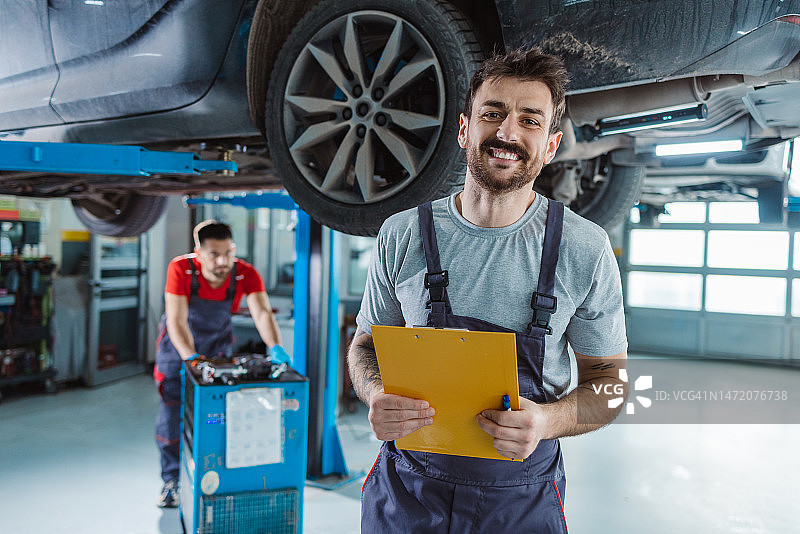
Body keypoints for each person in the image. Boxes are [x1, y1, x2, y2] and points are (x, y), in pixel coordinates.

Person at [348, 48, 629, 532]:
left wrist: (547, 422)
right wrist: (374, 395)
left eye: (529, 120)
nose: (507, 132)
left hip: (518, 504)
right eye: (492, 113)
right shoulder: (402, 234)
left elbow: (612, 383)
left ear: (552, 144)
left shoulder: (584, 249)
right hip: (409, 494)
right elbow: (366, 346)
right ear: (464, 129)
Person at [153, 219, 289, 508]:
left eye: (228, 252)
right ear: (198, 252)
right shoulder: (181, 269)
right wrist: (190, 358)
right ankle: (171, 482)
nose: (223, 261)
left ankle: (214, 478)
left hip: (218, 350)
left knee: (218, 415)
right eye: (214, 254)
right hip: (177, 350)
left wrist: (275, 347)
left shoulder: (245, 273)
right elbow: (176, 320)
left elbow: (263, 312)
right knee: (172, 415)